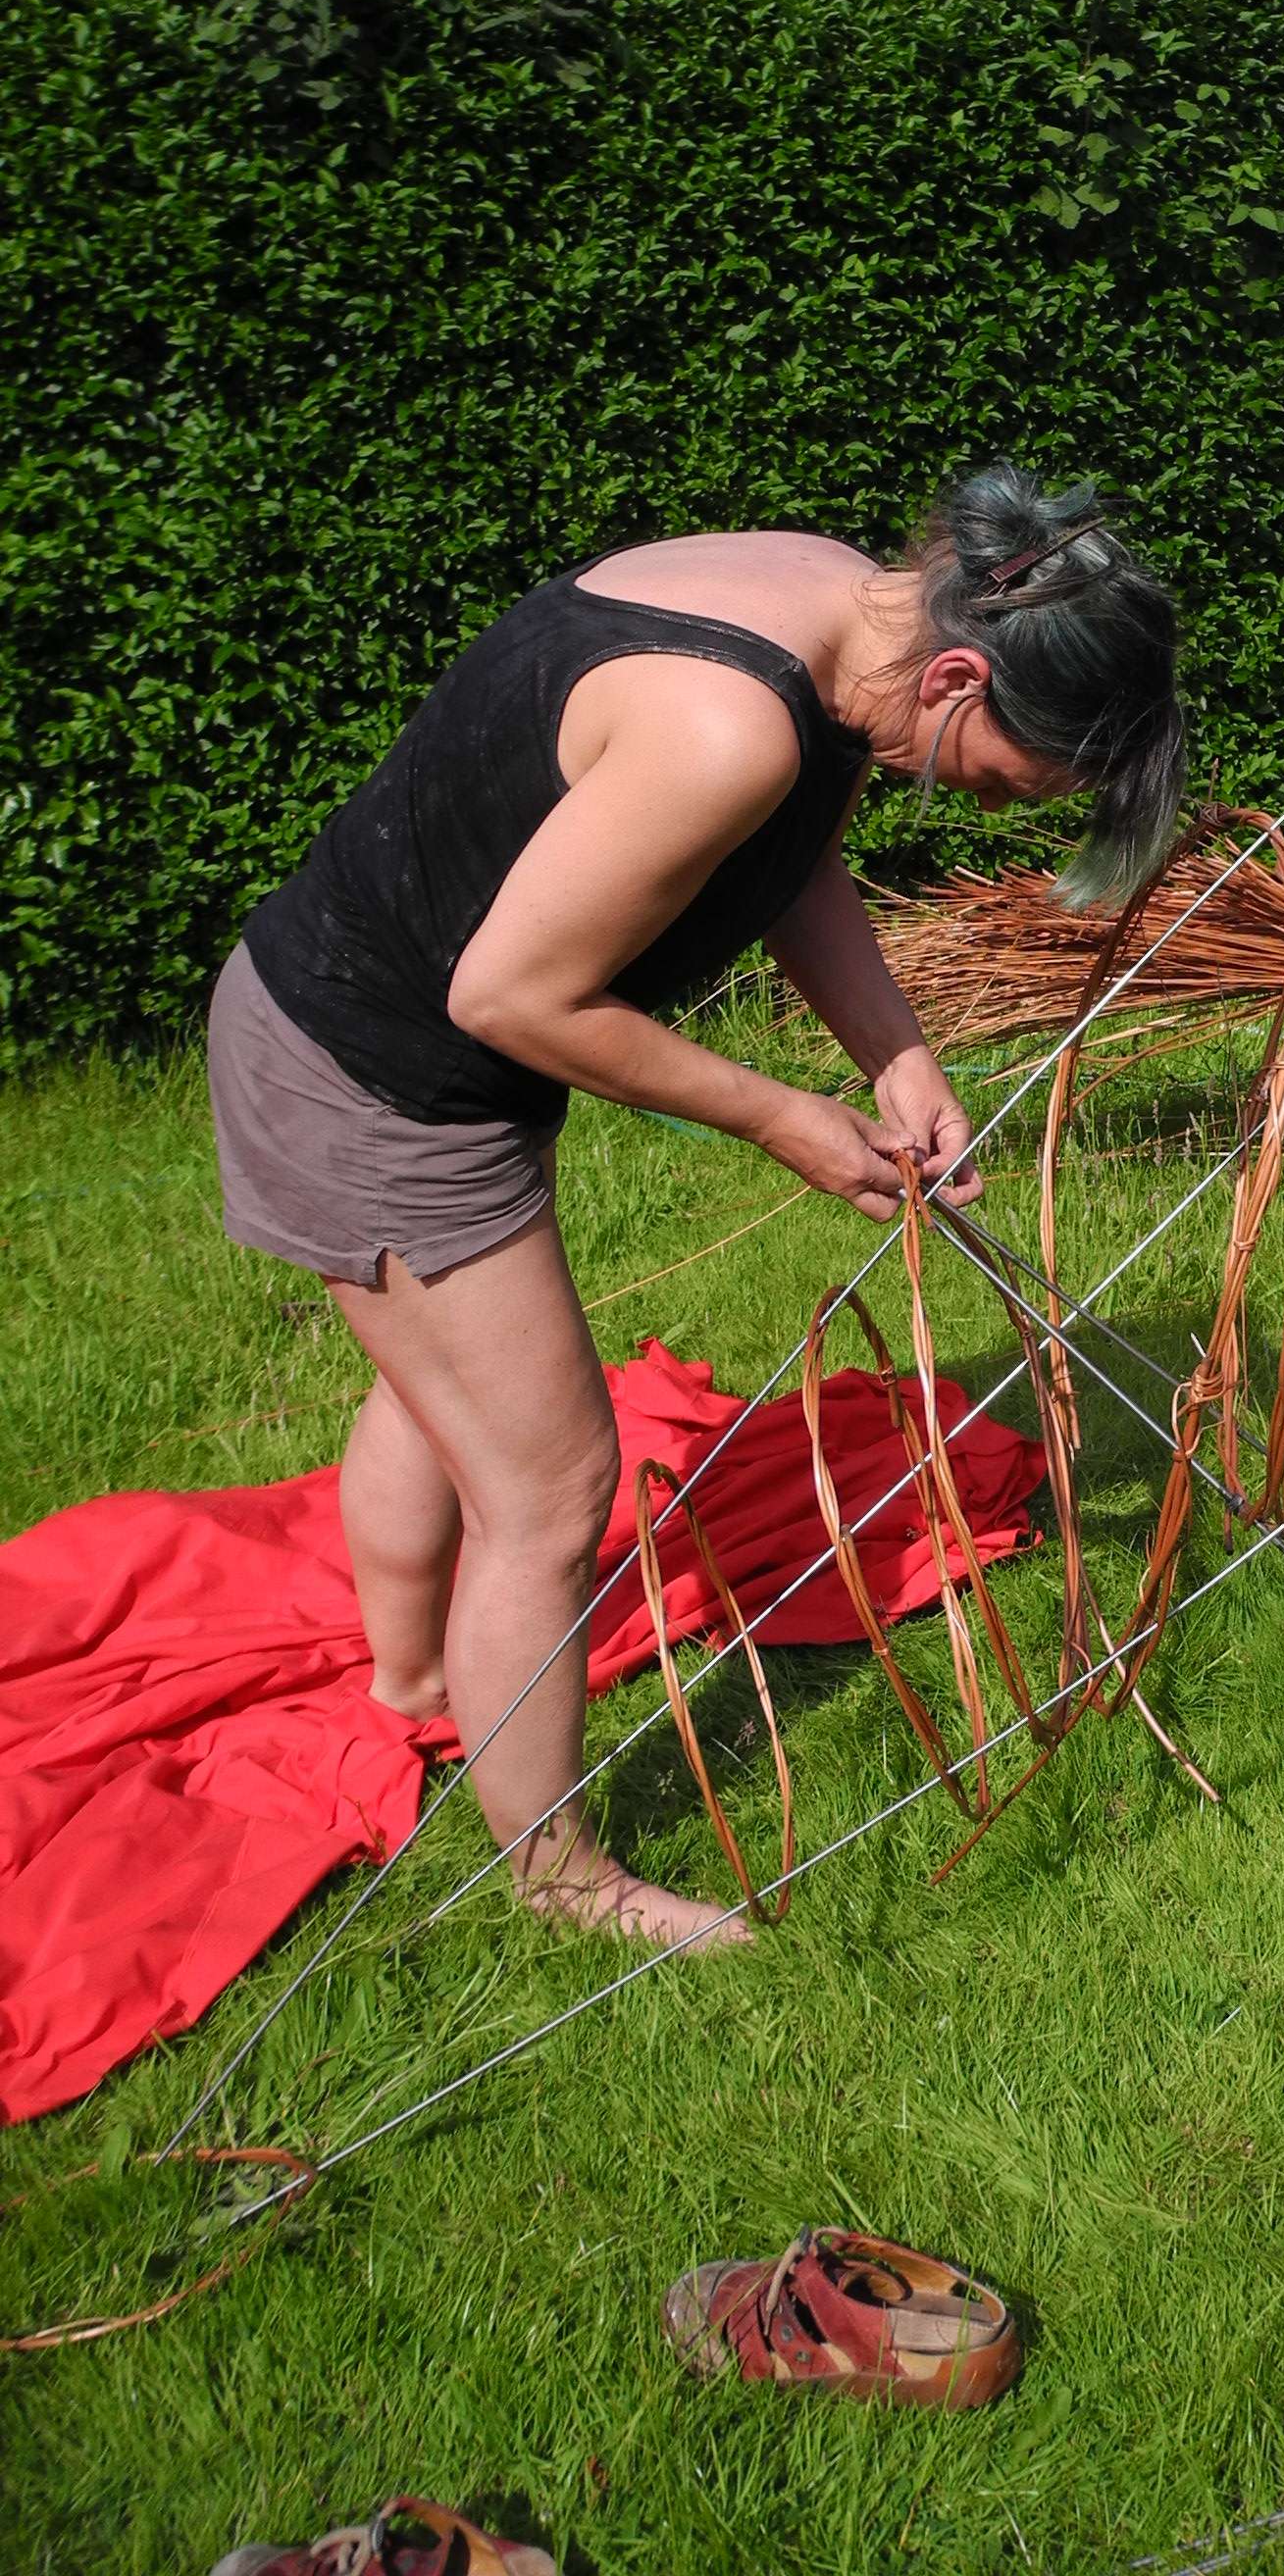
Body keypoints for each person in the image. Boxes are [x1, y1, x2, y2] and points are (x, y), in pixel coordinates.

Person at [206, 466, 1183, 1951]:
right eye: (1001, 778)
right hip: (372, 1077)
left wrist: (897, 1056)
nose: (982, 805)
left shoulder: (842, 609)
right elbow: (513, 994)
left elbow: (787, 864)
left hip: (376, 1036)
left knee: (438, 1390)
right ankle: (558, 1878)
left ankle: (411, 1688)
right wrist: (782, 1115)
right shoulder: (729, 726)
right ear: (962, 677)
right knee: (550, 1492)